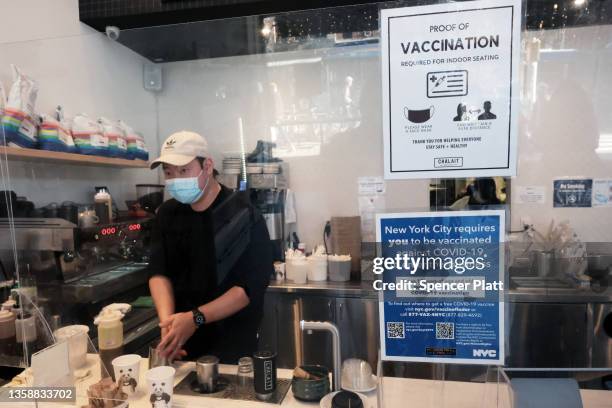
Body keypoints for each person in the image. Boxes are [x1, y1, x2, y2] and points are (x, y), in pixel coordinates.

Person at [147, 131, 273, 363]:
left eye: (184, 170)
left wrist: (195, 319)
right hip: (183, 344)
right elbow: (158, 272)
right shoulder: (167, 214)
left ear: (207, 166)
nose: (175, 179)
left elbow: (247, 289)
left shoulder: (242, 214)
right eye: (168, 173)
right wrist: (169, 327)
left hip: (231, 342)